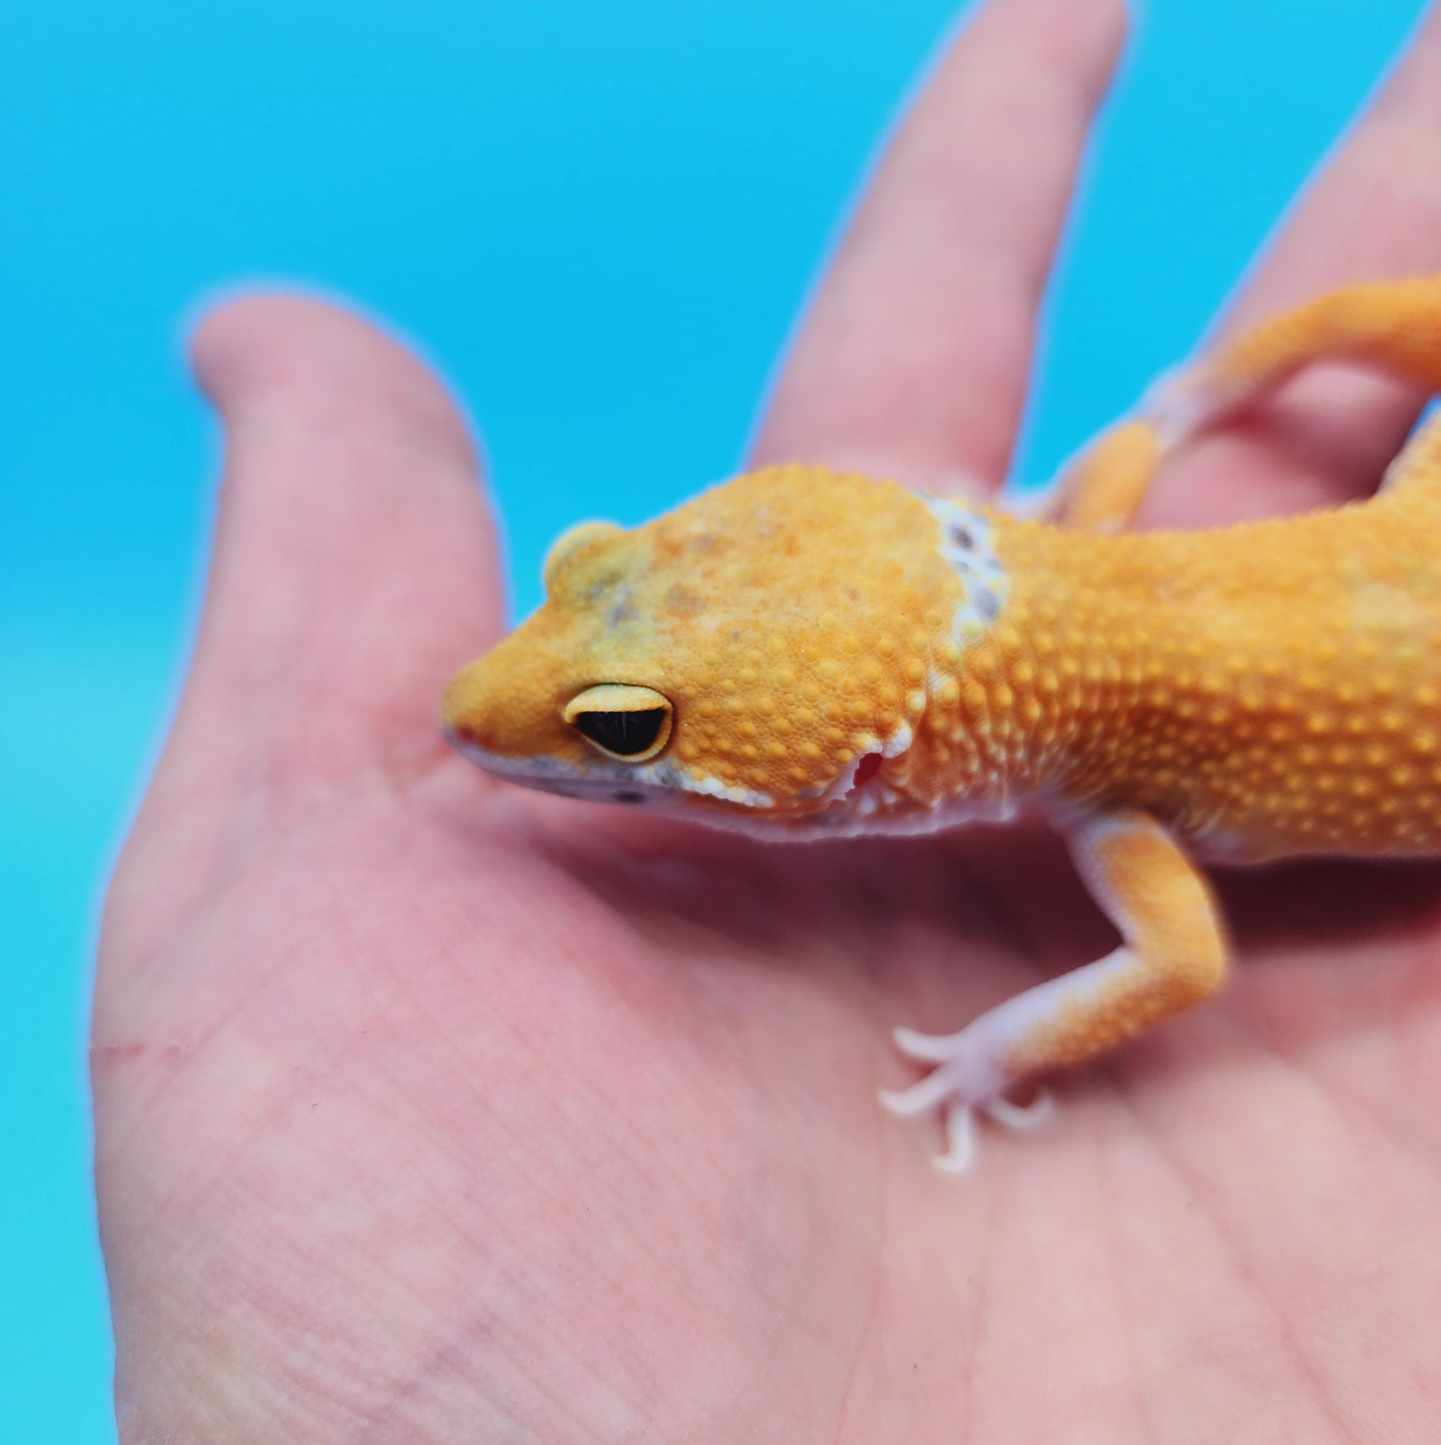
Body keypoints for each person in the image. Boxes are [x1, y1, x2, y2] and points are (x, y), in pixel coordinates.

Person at [96, 0, 1441, 1436]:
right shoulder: (1087, 558)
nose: (496, 708)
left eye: (625, 730)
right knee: (1352, 315)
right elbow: (1111, 462)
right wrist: (1219, 392)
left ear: (873, 771)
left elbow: (1177, 961)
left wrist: (988, 1056)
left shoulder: (1118, 770)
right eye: (586, 582)